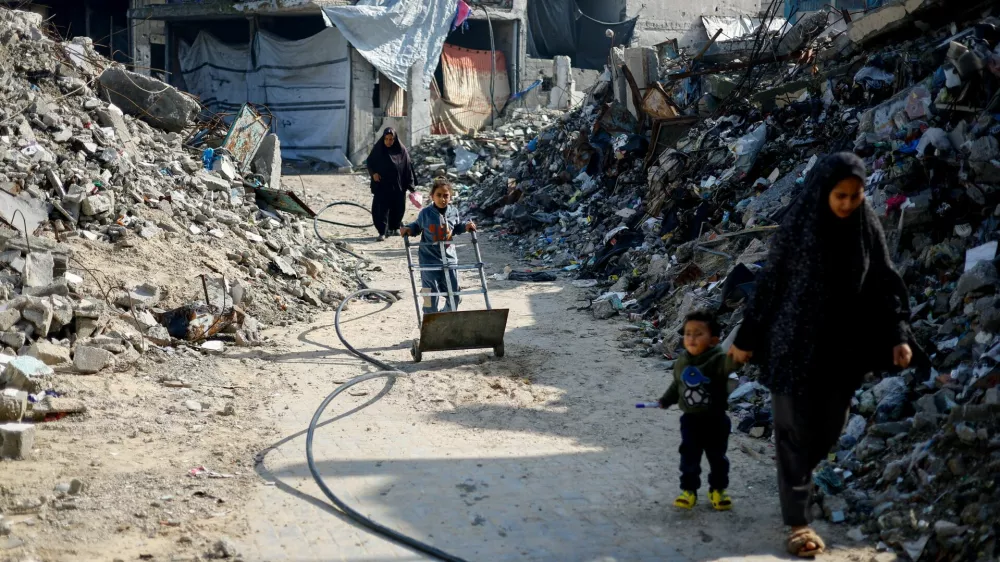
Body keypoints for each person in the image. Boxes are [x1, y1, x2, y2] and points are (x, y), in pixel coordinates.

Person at [727, 152, 913, 558]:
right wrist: (746, 338)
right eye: (840, 195)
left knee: (829, 428)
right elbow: (770, 284)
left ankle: (799, 482)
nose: (847, 203)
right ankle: (798, 521)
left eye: (855, 195)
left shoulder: (865, 226)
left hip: (843, 349)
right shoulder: (799, 225)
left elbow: (884, 279)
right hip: (792, 344)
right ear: (825, 191)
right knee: (793, 431)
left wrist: (898, 334)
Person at [658, 310, 743, 512]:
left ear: (714, 340)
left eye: (698, 334)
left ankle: (718, 490)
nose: (691, 339)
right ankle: (689, 491)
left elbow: (733, 362)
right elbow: (676, 385)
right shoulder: (682, 361)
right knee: (689, 456)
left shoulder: (718, 360)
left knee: (717, 458)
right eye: (688, 334)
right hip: (690, 420)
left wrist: (743, 351)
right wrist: (666, 400)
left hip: (716, 420)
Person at [399, 180, 476, 314]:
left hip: (449, 257)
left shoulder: (453, 211)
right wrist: (408, 229)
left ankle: (444, 316)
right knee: (429, 294)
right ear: (432, 196)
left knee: (454, 295)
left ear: (450, 196)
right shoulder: (426, 213)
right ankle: (429, 321)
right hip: (428, 258)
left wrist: (465, 227)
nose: (442, 199)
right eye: (439, 195)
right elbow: (417, 226)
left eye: (446, 195)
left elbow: (456, 227)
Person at [366, 127, 416, 241]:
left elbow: (408, 167)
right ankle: (382, 232)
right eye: (386, 139)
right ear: (383, 139)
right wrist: (373, 174)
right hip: (382, 185)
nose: (388, 141)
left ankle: (394, 227)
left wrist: (411, 185)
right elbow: (369, 162)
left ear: (395, 139)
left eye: (391, 139)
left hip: (398, 185)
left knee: (398, 207)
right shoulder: (378, 149)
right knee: (380, 209)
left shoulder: (402, 150)